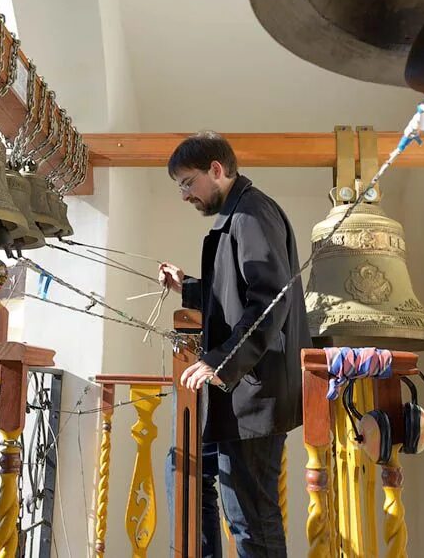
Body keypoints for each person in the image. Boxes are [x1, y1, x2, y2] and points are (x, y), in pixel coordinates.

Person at [159, 131, 311, 557]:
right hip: (241, 390)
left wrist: (221, 362)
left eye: (188, 182)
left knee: (251, 521)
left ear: (217, 170)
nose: (184, 195)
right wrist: (189, 288)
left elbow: (269, 302)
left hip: (253, 395)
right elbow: (237, 294)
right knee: (189, 473)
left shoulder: (251, 215)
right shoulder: (240, 214)